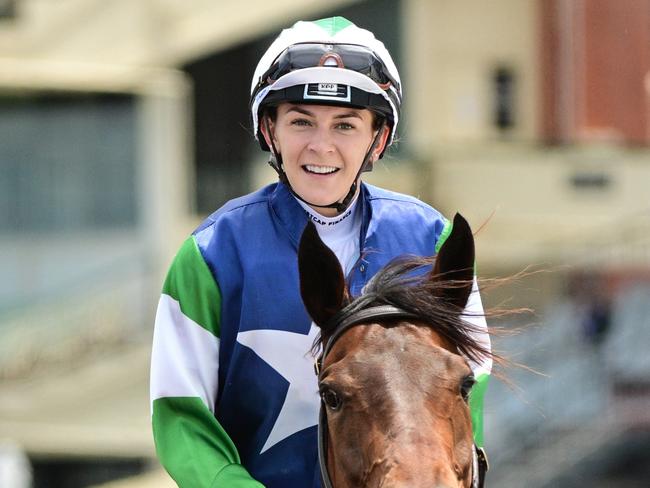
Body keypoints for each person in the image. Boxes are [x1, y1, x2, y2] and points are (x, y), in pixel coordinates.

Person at [150, 16, 491, 488]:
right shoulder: (210, 254)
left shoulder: (433, 240)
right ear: (269, 130)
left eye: (346, 125)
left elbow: (466, 387)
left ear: (379, 138)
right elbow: (182, 420)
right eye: (301, 121)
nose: (321, 145)